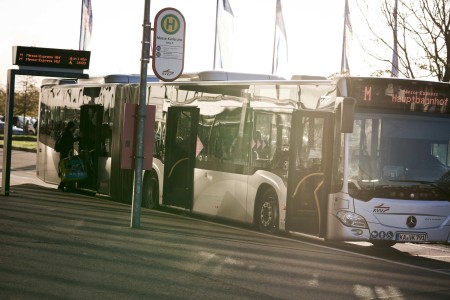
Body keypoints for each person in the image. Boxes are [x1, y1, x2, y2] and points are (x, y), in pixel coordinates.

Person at [57, 121, 80, 191]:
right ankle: (63, 185)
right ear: (71, 128)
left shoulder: (65, 133)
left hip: (64, 153)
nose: (75, 129)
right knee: (67, 169)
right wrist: (79, 138)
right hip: (66, 154)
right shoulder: (67, 134)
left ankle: (65, 184)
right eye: (74, 128)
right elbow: (69, 141)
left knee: (66, 169)